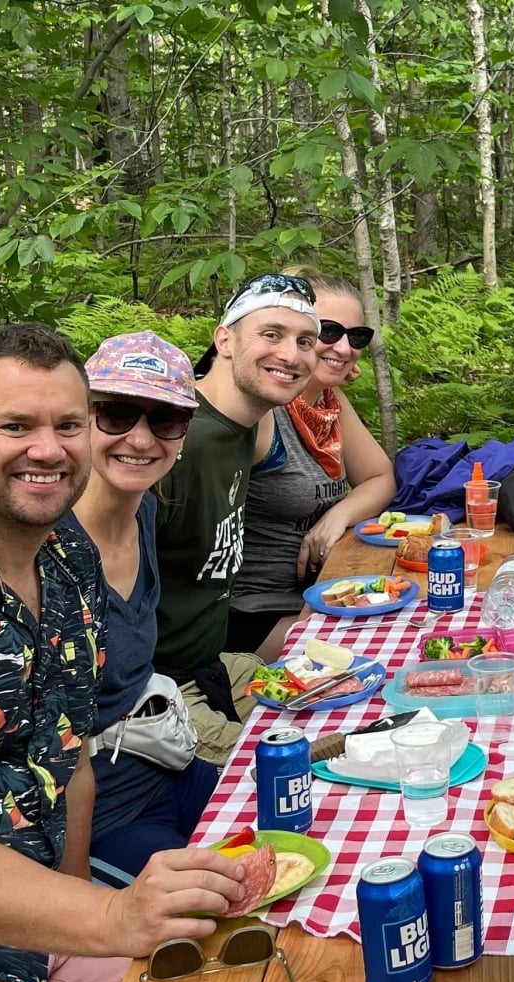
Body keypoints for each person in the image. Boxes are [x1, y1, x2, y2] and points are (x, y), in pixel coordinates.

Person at [0, 324, 246, 982]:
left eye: (67, 425)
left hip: (43, 918)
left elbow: (70, 762)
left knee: (246, 972)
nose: (48, 449)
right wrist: (112, 916)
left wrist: (78, 913)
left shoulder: (69, 560)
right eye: (15, 426)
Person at [152, 273, 320, 763]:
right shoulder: (176, 438)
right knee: (297, 765)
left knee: (353, 708)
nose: (291, 355)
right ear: (223, 340)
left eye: (304, 341)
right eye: (271, 334)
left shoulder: (246, 423)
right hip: (157, 687)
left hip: (215, 664)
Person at [75, 332, 221, 882]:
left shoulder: (144, 509)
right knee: (218, 910)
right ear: (82, 419)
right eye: (116, 413)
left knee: (303, 824)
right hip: (100, 814)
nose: (140, 438)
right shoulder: (38, 537)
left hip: (167, 764)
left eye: (165, 420)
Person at [225, 266, 395, 662]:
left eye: (357, 336)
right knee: (378, 652)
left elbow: (381, 476)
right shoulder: (263, 410)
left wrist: (337, 516)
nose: (344, 348)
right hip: (253, 610)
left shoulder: (328, 402)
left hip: (314, 590)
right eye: (328, 332)